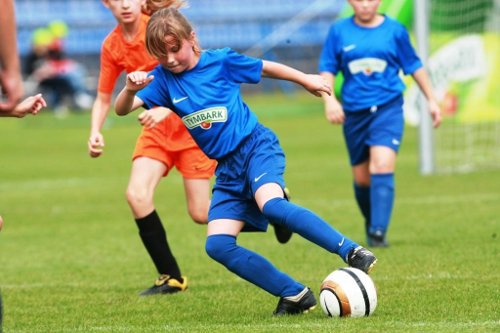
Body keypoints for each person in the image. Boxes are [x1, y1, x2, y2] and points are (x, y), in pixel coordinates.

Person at [114, 7, 377, 316]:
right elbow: (122, 109)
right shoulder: (162, 79)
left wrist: (305, 79)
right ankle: (294, 295)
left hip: (255, 147)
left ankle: (352, 251)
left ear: (191, 39)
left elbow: (267, 68)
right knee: (218, 246)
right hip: (226, 169)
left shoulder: (221, 61)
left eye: (175, 49)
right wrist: (130, 88)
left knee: (271, 205)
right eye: (161, 54)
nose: (170, 59)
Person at [88, 0, 217, 296]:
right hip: (155, 132)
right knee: (136, 194)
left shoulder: (160, 26)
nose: (124, 5)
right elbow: (104, 97)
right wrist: (95, 131)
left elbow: (194, 73)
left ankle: (268, 210)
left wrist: (168, 109)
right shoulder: (112, 45)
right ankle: (171, 277)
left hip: (189, 127)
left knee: (200, 213)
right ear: (106, 4)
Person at [319, 0, 441, 247]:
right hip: (354, 112)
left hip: (388, 108)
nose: (365, 5)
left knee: (382, 163)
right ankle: (373, 221)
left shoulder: (394, 30)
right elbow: (327, 69)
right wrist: (330, 101)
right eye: (359, 0)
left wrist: (432, 99)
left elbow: (414, 66)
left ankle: (377, 232)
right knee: (362, 179)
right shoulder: (339, 30)